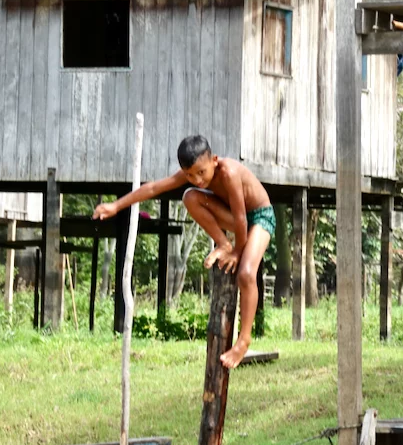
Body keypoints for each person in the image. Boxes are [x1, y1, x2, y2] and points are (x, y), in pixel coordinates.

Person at [93, 135, 274, 369]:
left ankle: (244, 340)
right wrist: (116, 206)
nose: (197, 179)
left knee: (246, 274)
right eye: (189, 175)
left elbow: (241, 218)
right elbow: (154, 187)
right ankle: (222, 244)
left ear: (214, 160)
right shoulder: (193, 175)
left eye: (201, 172)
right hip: (236, 219)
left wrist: (239, 252)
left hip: (259, 217)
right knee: (190, 196)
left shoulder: (228, 172)